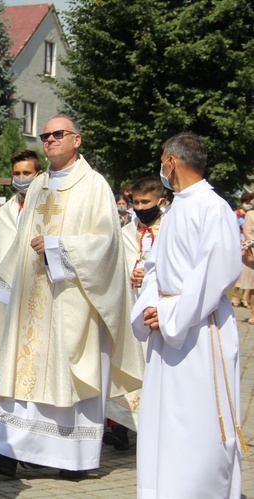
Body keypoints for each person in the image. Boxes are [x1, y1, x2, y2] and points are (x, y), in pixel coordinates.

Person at [0, 115, 144, 479]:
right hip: (32, 299)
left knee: (68, 377)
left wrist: (58, 246)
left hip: (72, 299)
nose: (49, 139)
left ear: (77, 140)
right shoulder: (40, 185)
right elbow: (19, 241)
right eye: (45, 135)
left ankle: (72, 461)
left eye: (57, 134)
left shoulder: (94, 185)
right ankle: (5, 452)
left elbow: (106, 245)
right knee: (21, 372)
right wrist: (6, 287)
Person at [131, 132, 243, 498]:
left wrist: (169, 313)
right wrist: (150, 304)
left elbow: (217, 272)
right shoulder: (177, 205)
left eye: (162, 159)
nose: (161, 166)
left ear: (172, 162)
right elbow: (156, 266)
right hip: (167, 330)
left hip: (199, 330)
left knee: (198, 422)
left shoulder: (214, 207)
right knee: (165, 420)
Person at [103, 176, 167, 450]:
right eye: (136, 202)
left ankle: (158, 426)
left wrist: (153, 274)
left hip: (160, 311)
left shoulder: (171, 230)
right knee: (125, 364)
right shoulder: (126, 232)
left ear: (161, 202)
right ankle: (119, 427)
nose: (141, 207)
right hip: (129, 307)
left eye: (146, 202)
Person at [0, 149, 42, 381]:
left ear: (38, 174)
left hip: (38, 286)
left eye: (26, 172)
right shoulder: (6, 210)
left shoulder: (50, 207)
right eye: (16, 173)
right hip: (8, 288)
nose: (20, 178)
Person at [231, 192, 254, 308]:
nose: (249, 204)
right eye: (247, 202)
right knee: (239, 273)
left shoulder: (250, 214)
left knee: (249, 275)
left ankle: (245, 298)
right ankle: (235, 296)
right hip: (240, 243)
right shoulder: (237, 214)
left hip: (249, 245)